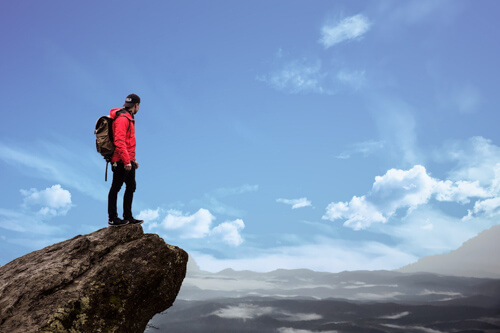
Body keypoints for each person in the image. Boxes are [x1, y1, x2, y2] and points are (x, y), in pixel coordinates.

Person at [108, 93, 144, 227]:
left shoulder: (129, 117)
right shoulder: (123, 118)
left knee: (131, 187)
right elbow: (119, 141)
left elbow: (128, 142)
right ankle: (112, 218)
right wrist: (126, 160)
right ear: (136, 105)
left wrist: (133, 160)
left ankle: (127, 217)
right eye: (138, 106)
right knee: (116, 188)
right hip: (120, 160)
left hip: (128, 159)